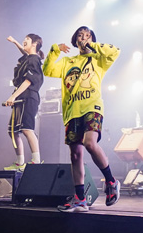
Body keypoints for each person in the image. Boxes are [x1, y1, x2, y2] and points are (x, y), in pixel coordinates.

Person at [43, 26, 120, 212]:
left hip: (92, 107)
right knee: (75, 155)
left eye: (88, 35)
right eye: (80, 35)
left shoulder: (98, 59)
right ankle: (80, 199)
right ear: (75, 40)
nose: (84, 38)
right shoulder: (67, 62)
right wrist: (55, 50)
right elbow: (48, 70)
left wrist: (93, 45)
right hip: (72, 112)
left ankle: (111, 182)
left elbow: (115, 51)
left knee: (90, 143)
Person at [3, 33, 44, 169]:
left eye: (27, 39)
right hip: (20, 98)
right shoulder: (28, 57)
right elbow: (24, 51)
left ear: (35, 44)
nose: (24, 41)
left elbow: (28, 81)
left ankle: (36, 162)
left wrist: (13, 97)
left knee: (27, 129)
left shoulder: (34, 59)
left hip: (28, 97)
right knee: (13, 131)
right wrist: (15, 42)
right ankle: (19, 163)